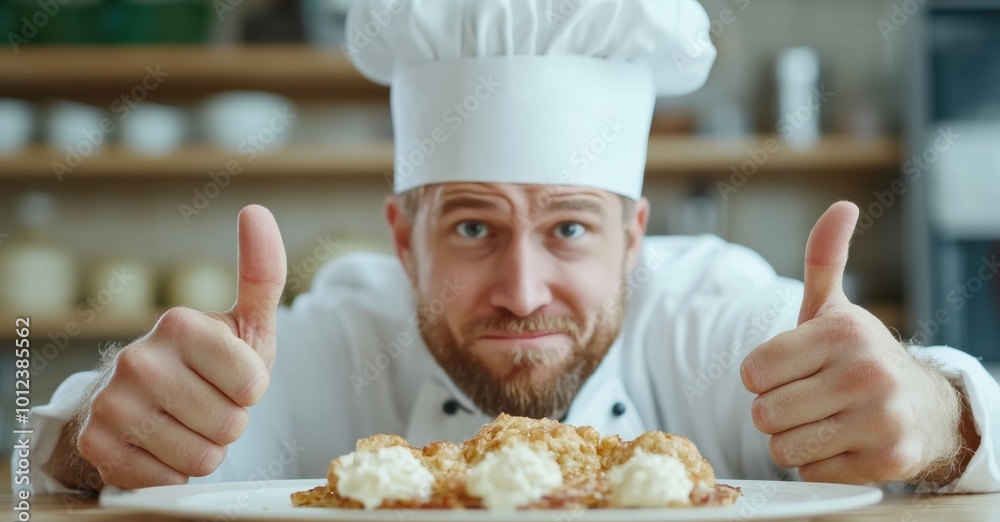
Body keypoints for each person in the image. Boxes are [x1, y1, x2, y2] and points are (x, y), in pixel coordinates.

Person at [19, 0, 999, 496]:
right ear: (403, 238)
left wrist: (937, 408)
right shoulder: (329, 339)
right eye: (473, 226)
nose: (522, 289)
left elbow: (960, 421)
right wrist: (90, 439)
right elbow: (84, 454)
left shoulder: (724, 326)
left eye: (570, 226)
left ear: (634, 239)